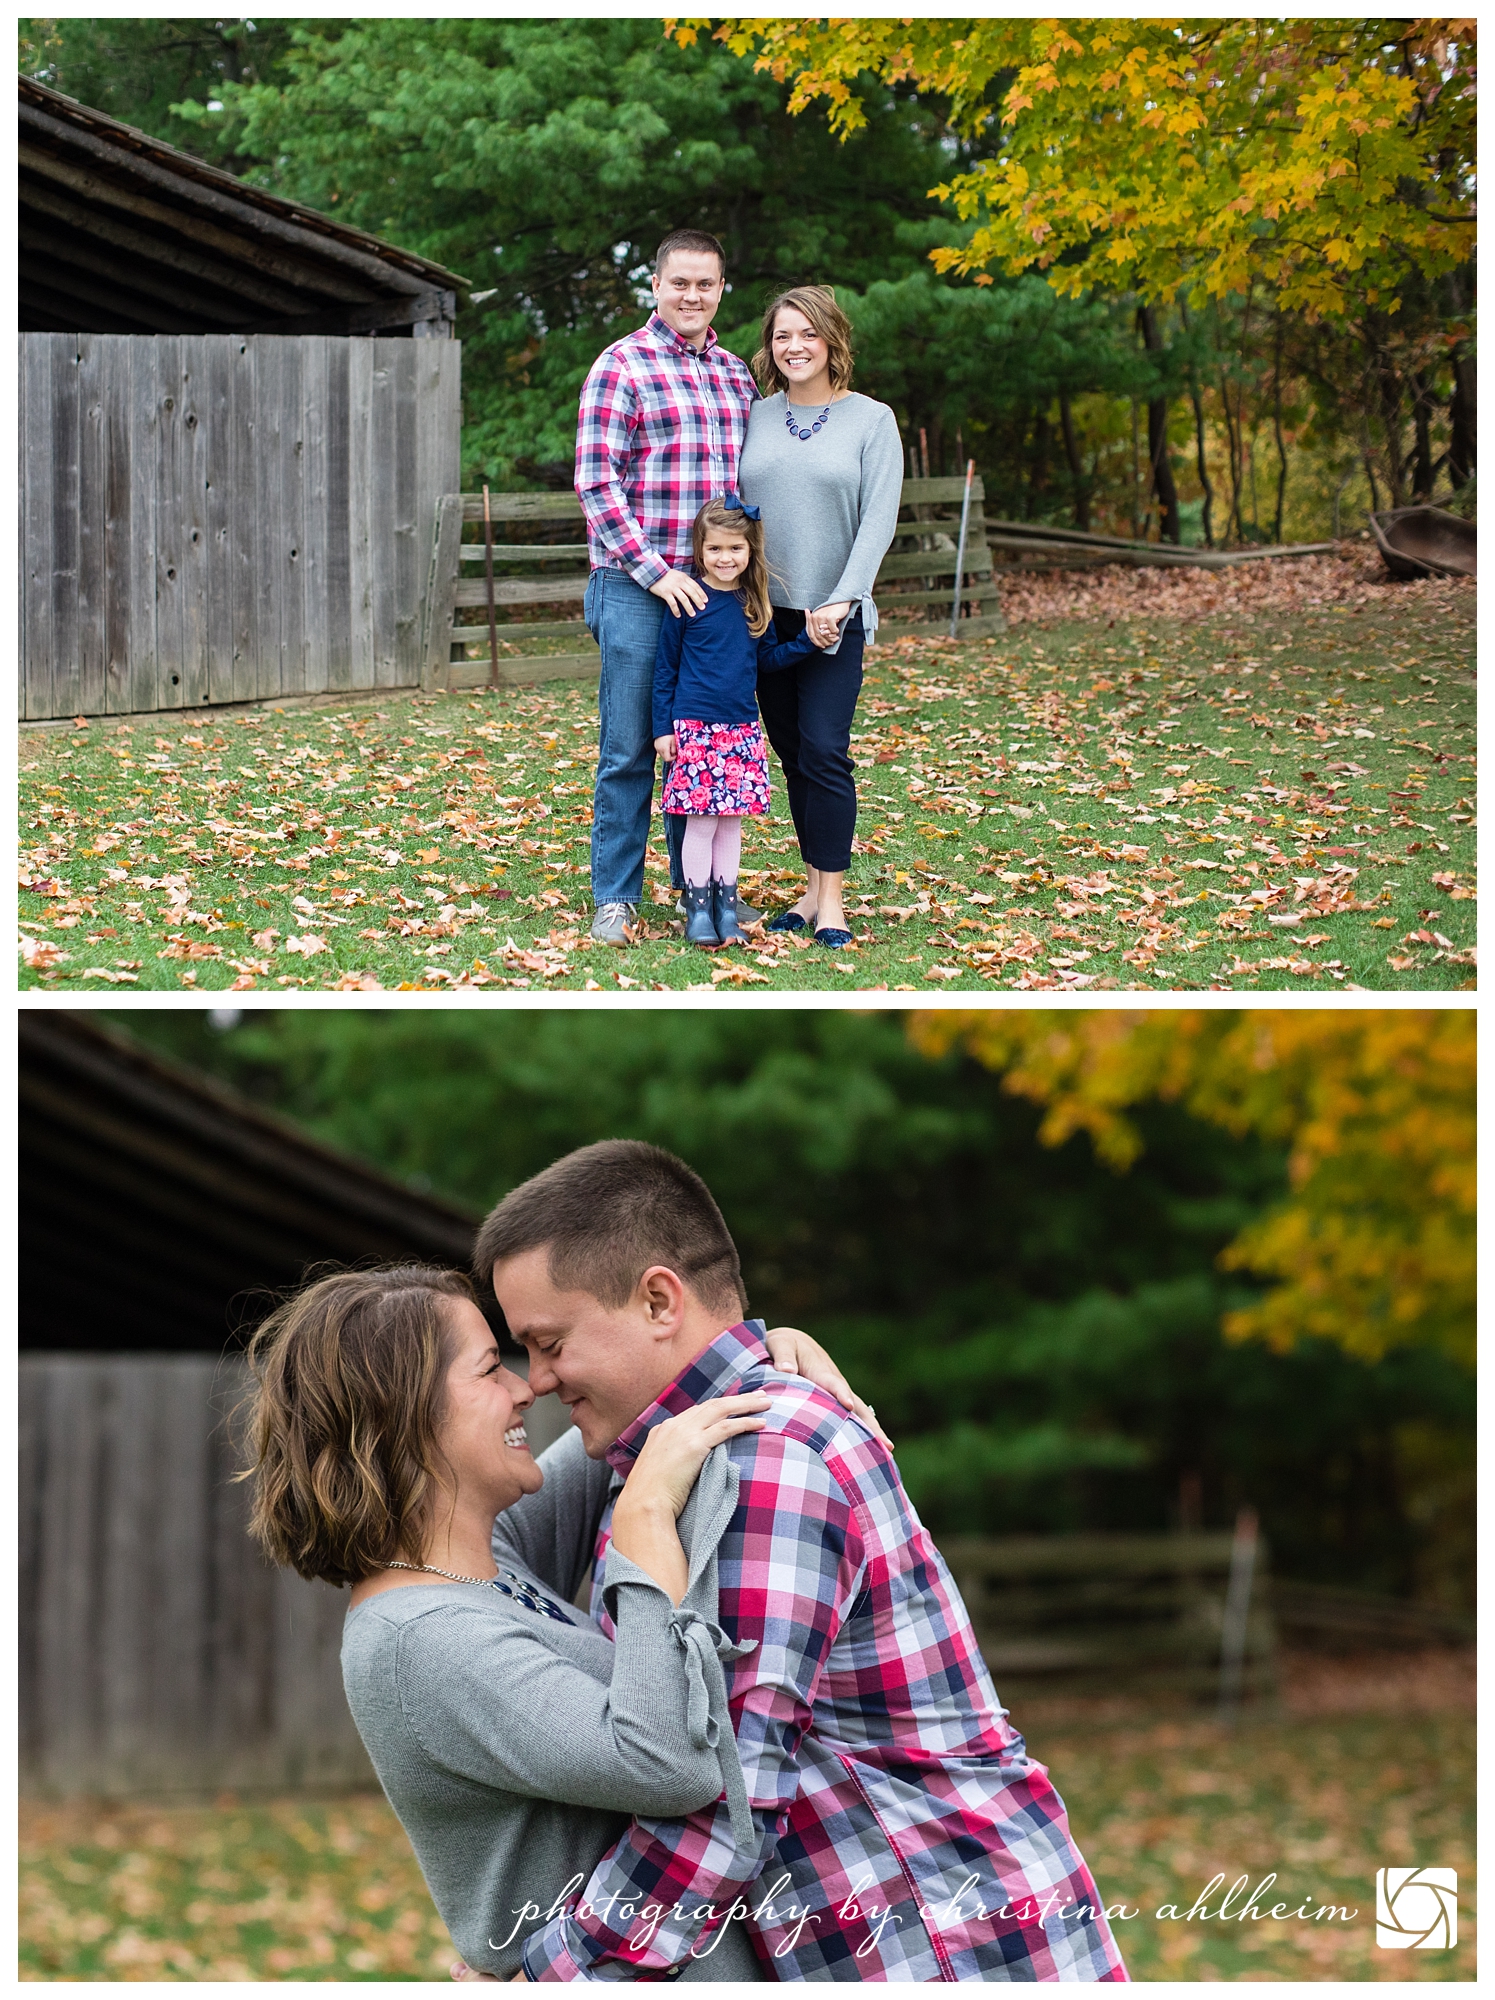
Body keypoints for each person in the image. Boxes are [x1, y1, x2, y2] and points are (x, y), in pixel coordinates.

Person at [476, 1140, 1129, 1983]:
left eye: (549, 1342)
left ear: (658, 1301)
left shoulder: (762, 1464)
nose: (535, 1380)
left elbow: (717, 1794)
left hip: (950, 1950)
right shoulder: (669, 1456)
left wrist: (557, 1972)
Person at [238, 1265, 877, 1982]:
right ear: (403, 1416)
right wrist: (643, 1530)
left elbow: (649, 1398)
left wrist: (760, 1354)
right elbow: (666, 1764)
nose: (525, 1387)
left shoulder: (489, 1562)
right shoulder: (419, 1638)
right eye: (488, 1370)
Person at [576, 228, 763, 948]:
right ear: (655, 285)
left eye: (705, 284)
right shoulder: (621, 366)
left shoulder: (734, 375)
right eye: (678, 282)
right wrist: (658, 573)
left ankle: (703, 892)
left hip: (713, 595)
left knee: (704, 742)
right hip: (635, 582)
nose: (691, 295)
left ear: (720, 291)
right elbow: (597, 482)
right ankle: (616, 897)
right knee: (630, 748)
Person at [738, 287, 905, 949]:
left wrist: (845, 596)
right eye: (782, 335)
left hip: (835, 615)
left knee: (825, 750)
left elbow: (878, 518)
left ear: (832, 340)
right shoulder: (752, 417)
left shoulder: (871, 420)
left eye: (807, 333)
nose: (794, 346)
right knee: (793, 755)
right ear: (769, 345)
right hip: (766, 618)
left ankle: (832, 902)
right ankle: (809, 890)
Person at [653, 494, 828, 949]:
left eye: (735, 548)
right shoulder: (688, 599)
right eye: (715, 549)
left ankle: (726, 908)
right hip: (695, 728)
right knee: (702, 823)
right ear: (700, 550)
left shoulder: (754, 602)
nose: (725, 558)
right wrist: (662, 728)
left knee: (731, 822)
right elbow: (665, 670)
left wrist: (806, 643)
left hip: (741, 730)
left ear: (750, 551)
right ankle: (697, 908)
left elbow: (767, 659)